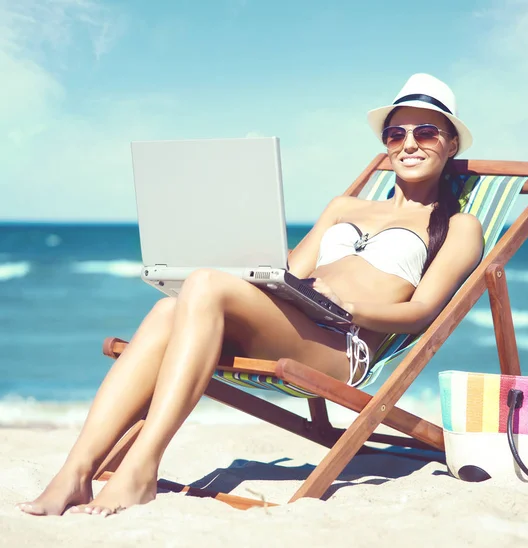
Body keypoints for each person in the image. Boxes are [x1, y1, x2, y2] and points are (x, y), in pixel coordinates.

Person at [17, 73, 483, 516]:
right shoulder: (346, 206)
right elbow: (286, 276)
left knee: (203, 284)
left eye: (426, 132)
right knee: (166, 309)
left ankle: (141, 466)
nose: (409, 145)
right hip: (295, 318)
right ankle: (74, 472)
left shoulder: (459, 226)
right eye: (395, 135)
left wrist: (351, 306)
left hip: (341, 345)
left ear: (451, 142)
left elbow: (422, 313)